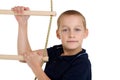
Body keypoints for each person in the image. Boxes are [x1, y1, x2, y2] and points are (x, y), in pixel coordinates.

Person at [12, 6, 91, 80]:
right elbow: (25, 56)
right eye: (65, 30)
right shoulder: (57, 50)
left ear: (85, 33)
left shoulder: (82, 63)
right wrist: (22, 23)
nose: (71, 35)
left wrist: (35, 67)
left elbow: (32, 62)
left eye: (77, 29)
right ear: (58, 34)